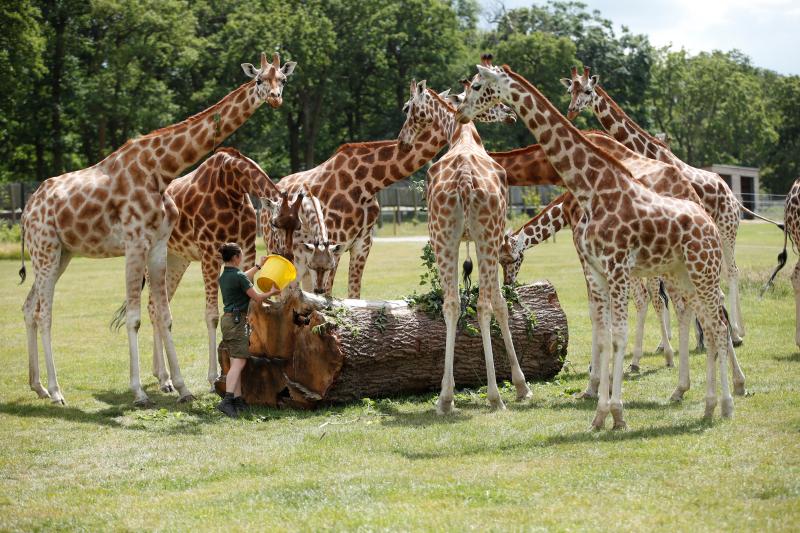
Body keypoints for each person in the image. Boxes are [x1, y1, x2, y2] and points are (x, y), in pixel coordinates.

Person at [216, 242, 280, 417]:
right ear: (236, 257)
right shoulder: (238, 277)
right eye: (241, 255)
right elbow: (258, 298)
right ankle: (227, 401)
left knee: (235, 360)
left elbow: (243, 276)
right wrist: (272, 292)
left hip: (227, 321)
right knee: (239, 362)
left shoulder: (225, 275)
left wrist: (259, 266)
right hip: (237, 323)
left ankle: (238, 400)